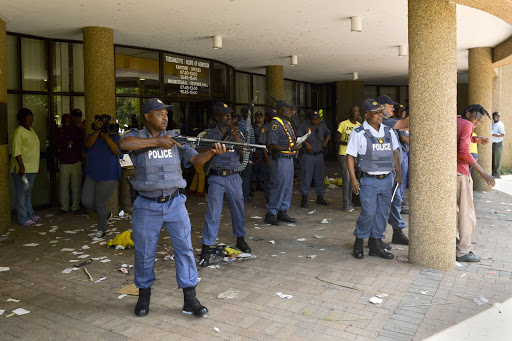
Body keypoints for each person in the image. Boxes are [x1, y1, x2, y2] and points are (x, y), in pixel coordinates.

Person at [119, 98, 228, 317]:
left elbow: (197, 159)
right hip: (146, 204)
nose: (165, 117)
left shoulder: (175, 139)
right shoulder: (136, 136)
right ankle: (144, 297)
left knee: (185, 250)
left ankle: (190, 298)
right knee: (144, 253)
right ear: (147, 116)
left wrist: (212, 153)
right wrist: (158, 142)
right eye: (159, 113)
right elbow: (123, 145)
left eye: (166, 114)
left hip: (175, 203)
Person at [198, 102, 252, 266]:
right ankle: (206, 247)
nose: (229, 116)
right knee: (213, 213)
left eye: (230, 114)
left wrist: (236, 138)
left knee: (238, 210)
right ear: (215, 117)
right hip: (217, 177)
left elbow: (244, 155)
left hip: (234, 176)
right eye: (224, 114)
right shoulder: (208, 134)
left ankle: (240, 239)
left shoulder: (237, 133)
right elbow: (198, 154)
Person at [346, 99, 401, 260]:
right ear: (367, 115)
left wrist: (398, 174)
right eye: (376, 113)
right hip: (369, 180)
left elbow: (395, 153)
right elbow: (350, 157)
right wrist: (353, 179)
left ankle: (376, 244)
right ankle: (359, 240)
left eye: (380, 112)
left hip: (387, 179)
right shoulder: (359, 133)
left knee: (382, 214)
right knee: (368, 213)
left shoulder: (389, 131)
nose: (380, 115)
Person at [457, 104, 495, 261]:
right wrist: (483, 172)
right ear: (468, 113)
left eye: (479, 123)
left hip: (450, 172)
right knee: (467, 214)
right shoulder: (467, 124)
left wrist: (474, 139)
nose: (476, 124)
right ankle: (463, 251)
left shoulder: (457, 120)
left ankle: (454, 246)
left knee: (456, 212)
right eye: (476, 120)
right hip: (460, 173)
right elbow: (463, 151)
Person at [376, 95, 409, 245]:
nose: (393, 109)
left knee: (395, 201)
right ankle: (376, 238)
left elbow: (405, 126)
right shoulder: (384, 120)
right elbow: (405, 123)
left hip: (394, 170)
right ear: (382, 106)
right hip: (385, 171)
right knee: (383, 204)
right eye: (391, 106)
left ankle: (397, 232)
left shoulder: (388, 121)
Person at [81, 115, 121, 240]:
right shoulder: (91, 136)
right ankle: (106, 214)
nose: (104, 125)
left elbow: (117, 151)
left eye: (106, 123)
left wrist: (107, 136)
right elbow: (87, 146)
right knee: (86, 201)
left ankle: (101, 230)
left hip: (109, 175)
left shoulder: (114, 136)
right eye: (101, 123)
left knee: (100, 202)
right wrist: (97, 131)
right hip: (92, 174)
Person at [264, 100, 302, 225]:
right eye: (288, 109)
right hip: (280, 159)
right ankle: (271, 213)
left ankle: (282, 211)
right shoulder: (275, 124)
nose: (291, 111)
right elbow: (272, 145)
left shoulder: (287, 123)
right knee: (279, 186)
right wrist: (291, 149)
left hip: (289, 159)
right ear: (280, 110)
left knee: (287, 186)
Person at [10, 108, 41, 226]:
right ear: (21, 119)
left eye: (31, 119)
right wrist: (21, 167)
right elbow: (16, 151)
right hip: (22, 170)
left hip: (32, 169)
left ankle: (30, 214)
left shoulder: (31, 130)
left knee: (28, 191)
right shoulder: (19, 131)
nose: (30, 121)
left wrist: (37, 165)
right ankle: (23, 218)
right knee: (22, 193)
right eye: (27, 119)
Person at [298, 110, 331, 208]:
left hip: (319, 155)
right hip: (308, 155)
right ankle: (304, 199)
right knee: (306, 177)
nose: (316, 120)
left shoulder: (322, 125)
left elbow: (328, 134)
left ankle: (320, 197)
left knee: (320, 177)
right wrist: (305, 143)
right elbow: (298, 137)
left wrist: (325, 141)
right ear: (309, 119)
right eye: (314, 118)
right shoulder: (304, 125)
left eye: (317, 118)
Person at [55, 114, 84, 215]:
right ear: (62, 122)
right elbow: (56, 145)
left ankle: (75, 207)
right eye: (65, 121)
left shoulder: (77, 130)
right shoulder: (59, 131)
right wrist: (64, 145)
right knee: (64, 186)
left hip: (76, 161)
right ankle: (64, 207)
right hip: (64, 162)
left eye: (69, 121)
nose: (67, 123)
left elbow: (82, 143)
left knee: (76, 187)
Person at [336, 106, 361, 212]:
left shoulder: (360, 126)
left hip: (357, 155)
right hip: (344, 154)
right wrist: (350, 143)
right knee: (347, 179)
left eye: (357, 111)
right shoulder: (343, 124)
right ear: (350, 113)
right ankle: (347, 203)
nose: (356, 113)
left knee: (357, 178)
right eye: (354, 111)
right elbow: (336, 139)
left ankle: (356, 199)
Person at [238, 108, 255, 202]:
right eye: (247, 113)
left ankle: (246, 194)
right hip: (245, 152)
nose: (249, 115)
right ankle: (244, 196)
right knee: (245, 175)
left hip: (249, 151)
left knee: (247, 175)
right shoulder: (241, 124)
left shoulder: (247, 124)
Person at [260, 107, 276, 202]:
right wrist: (267, 159)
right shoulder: (264, 128)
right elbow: (262, 145)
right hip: (269, 155)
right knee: (269, 178)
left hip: (277, 156)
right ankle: (268, 198)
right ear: (267, 117)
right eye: (272, 116)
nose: (274, 118)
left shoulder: (277, 126)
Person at [251, 111, 265, 192]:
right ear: (255, 118)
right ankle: (252, 185)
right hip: (255, 149)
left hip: (262, 149)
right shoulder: (253, 126)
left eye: (261, 116)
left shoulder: (264, 127)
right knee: (255, 167)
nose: (259, 118)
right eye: (258, 117)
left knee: (261, 167)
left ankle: (259, 184)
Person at [492, 111, 506, 178]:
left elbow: (502, 134)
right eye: (494, 116)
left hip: (498, 143)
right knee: (493, 159)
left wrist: (493, 134)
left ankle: (497, 174)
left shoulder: (500, 124)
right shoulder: (493, 124)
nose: (495, 117)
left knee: (497, 159)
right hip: (493, 143)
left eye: (497, 116)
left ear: (499, 117)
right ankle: (494, 172)